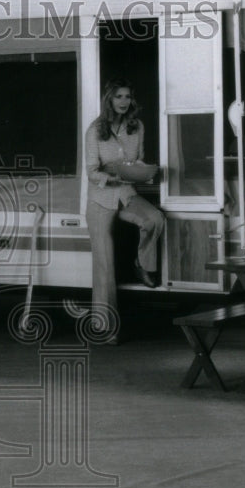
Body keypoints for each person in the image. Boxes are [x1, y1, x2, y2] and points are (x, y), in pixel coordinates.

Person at [85, 79, 165, 343]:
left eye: (128, 96)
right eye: (119, 96)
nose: (124, 101)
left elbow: (137, 159)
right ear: (109, 99)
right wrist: (112, 176)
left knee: (154, 219)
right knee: (104, 265)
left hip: (128, 193)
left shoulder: (136, 126)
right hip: (100, 200)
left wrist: (143, 169)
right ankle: (107, 329)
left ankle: (142, 263)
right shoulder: (95, 130)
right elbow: (91, 172)